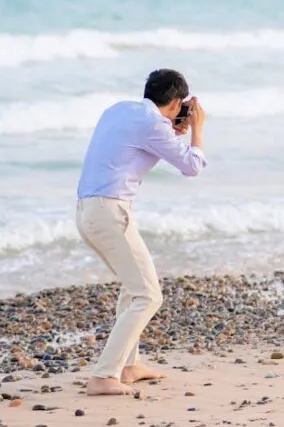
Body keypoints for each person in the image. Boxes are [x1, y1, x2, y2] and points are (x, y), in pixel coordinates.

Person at [75, 68, 207, 396]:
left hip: (89, 211)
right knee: (148, 295)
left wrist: (171, 128)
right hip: (109, 212)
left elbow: (135, 145)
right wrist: (197, 131)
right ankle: (104, 376)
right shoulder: (152, 126)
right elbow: (191, 166)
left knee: (134, 289)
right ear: (177, 103)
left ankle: (129, 366)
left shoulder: (119, 110)